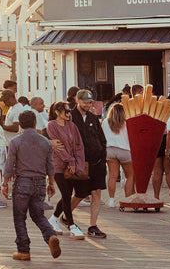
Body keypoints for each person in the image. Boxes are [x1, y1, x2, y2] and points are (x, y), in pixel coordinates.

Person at [2, 110, 62, 261]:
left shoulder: (15, 142)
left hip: (22, 182)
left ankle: (23, 251)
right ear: (35, 123)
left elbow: (9, 165)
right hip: (40, 182)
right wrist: (51, 183)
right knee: (38, 215)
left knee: (19, 217)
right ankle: (50, 236)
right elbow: (50, 165)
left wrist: (4, 183)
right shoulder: (45, 142)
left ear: (20, 124)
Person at [46, 101, 87, 238]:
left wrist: (77, 164)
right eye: (66, 111)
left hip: (73, 166)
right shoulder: (52, 126)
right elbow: (58, 148)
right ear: (57, 112)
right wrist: (70, 161)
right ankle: (71, 224)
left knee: (74, 192)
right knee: (66, 193)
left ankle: (53, 218)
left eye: (69, 111)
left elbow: (79, 146)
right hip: (58, 166)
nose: (69, 114)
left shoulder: (72, 126)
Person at [71, 90, 108, 239]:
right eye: (85, 102)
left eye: (90, 102)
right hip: (80, 163)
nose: (88, 104)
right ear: (77, 100)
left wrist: (103, 156)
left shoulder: (93, 117)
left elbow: (102, 139)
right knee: (80, 194)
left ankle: (93, 226)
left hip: (97, 162)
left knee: (96, 192)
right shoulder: (70, 117)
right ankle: (65, 216)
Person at [105, 99, 133, 206]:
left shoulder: (105, 123)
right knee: (129, 176)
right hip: (124, 150)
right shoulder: (127, 123)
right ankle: (127, 200)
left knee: (112, 176)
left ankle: (111, 200)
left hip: (110, 150)